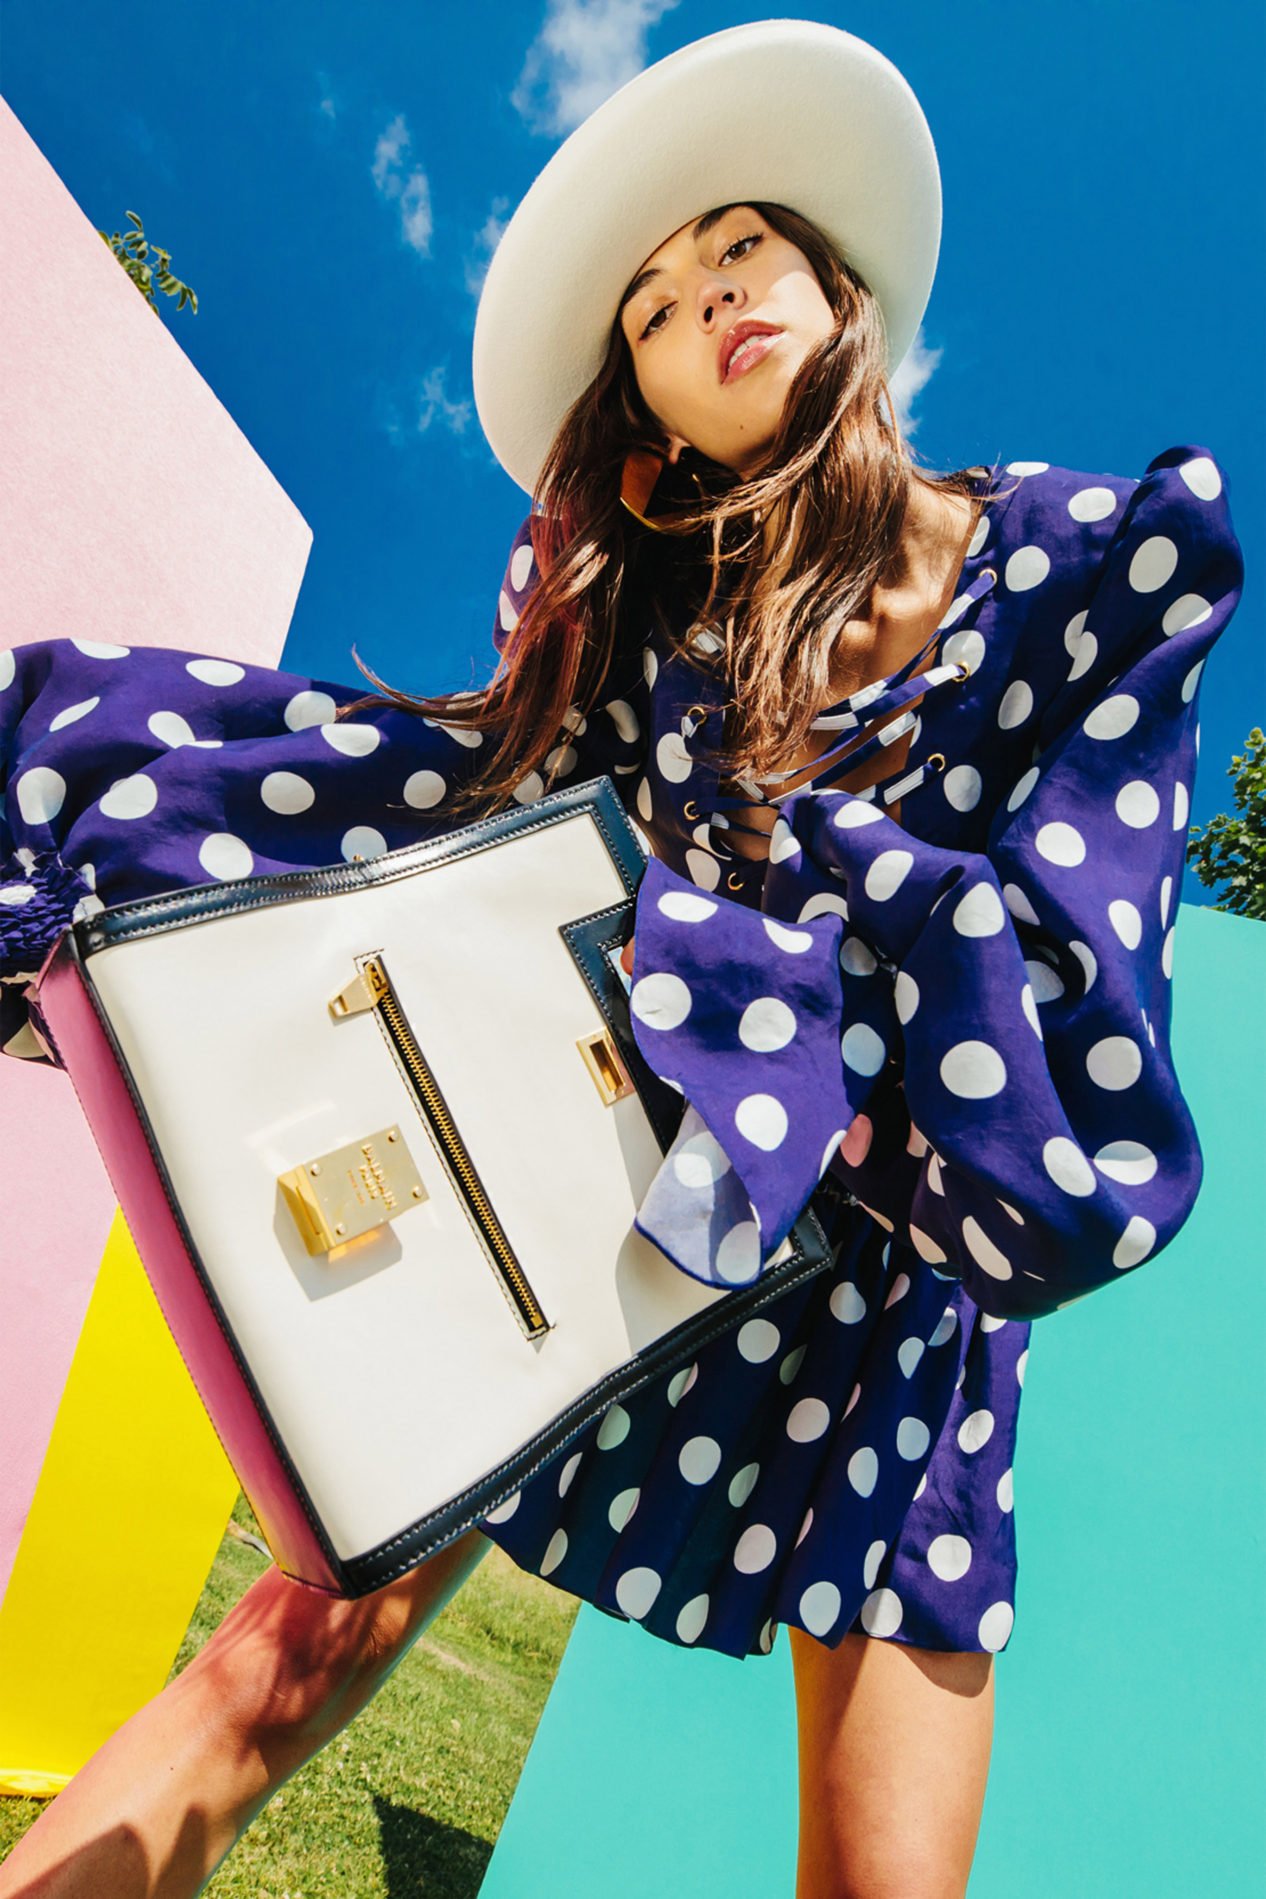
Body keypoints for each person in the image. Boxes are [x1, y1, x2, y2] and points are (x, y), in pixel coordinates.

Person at [0, 20, 1244, 1899]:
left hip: (894, 1288)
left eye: (739, 245)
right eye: (654, 308)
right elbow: (450, 821)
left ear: (834, 288)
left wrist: (786, 937)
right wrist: (106, 827)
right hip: (602, 1189)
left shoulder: (1094, 566)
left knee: (884, 1880)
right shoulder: (648, 637)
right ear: (651, 425)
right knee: (276, 1664)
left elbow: (1063, 1030)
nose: (709, 293)